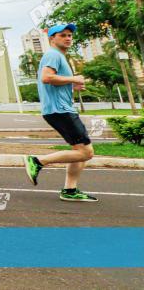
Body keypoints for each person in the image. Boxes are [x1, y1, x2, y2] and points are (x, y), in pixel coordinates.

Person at [24, 23, 97, 202]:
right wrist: (73, 78)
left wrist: (72, 85)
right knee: (87, 153)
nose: (68, 38)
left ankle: (70, 190)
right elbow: (47, 77)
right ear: (52, 39)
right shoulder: (53, 54)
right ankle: (37, 161)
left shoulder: (59, 56)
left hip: (60, 110)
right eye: (63, 35)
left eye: (70, 35)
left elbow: (54, 81)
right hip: (60, 111)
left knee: (78, 151)